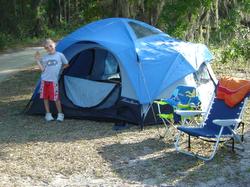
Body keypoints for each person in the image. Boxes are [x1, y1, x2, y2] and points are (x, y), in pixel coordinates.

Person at [34, 38, 69, 122]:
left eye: (50, 46)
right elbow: (43, 69)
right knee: (45, 97)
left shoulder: (60, 55)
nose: (49, 48)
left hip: (54, 81)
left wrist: (60, 69)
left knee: (56, 98)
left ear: (55, 44)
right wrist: (37, 60)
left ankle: (60, 114)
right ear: (45, 49)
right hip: (45, 80)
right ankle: (48, 114)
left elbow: (66, 64)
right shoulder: (45, 58)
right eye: (46, 47)